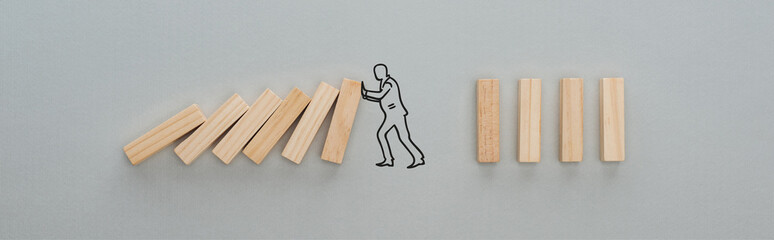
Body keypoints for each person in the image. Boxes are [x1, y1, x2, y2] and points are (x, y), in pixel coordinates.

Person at [361, 63, 425, 169]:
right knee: (394, 136)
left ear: (384, 72)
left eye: (378, 72)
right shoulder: (384, 83)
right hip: (392, 114)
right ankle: (391, 159)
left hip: (395, 114)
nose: (376, 74)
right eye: (376, 72)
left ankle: (414, 158)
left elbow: (380, 95)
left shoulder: (389, 83)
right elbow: (381, 98)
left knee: (397, 136)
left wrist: (366, 92)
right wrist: (366, 96)